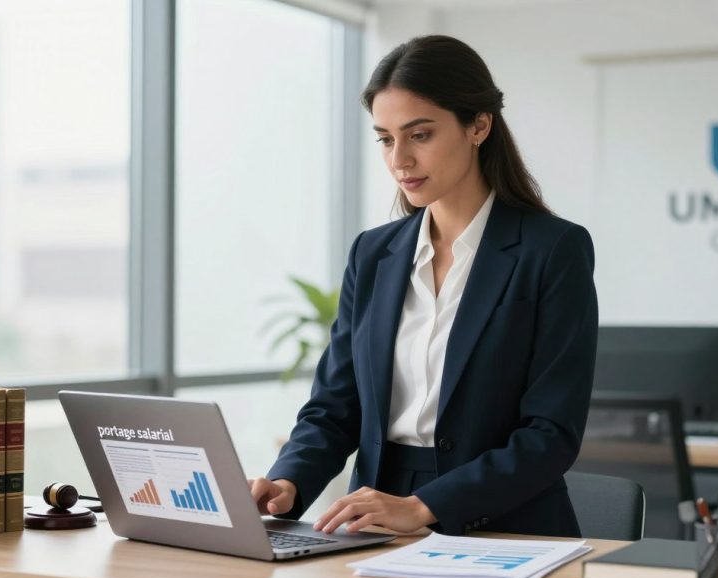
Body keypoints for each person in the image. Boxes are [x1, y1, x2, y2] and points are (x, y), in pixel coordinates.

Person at [248, 35, 598, 538]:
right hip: (372, 516)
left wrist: (424, 506)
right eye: (386, 139)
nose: (399, 161)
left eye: (420, 135)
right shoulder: (373, 254)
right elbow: (335, 406)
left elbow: (551, 434)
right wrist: (288, 480)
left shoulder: (552, 249)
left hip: (505, 523)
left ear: (479, 125)